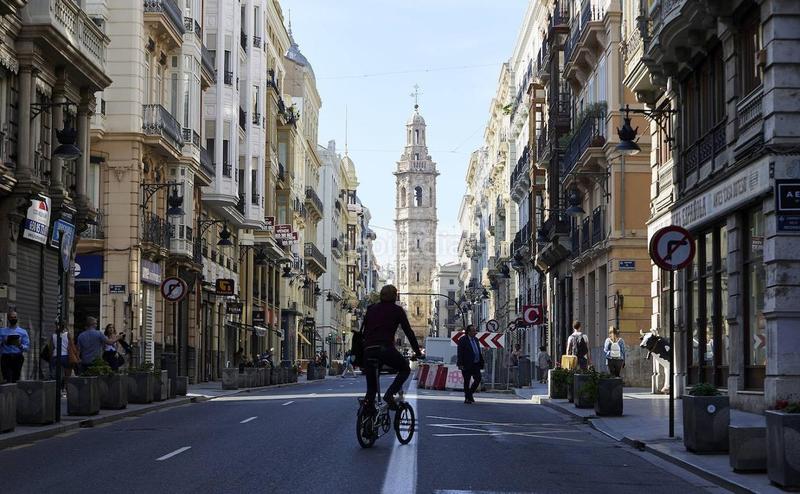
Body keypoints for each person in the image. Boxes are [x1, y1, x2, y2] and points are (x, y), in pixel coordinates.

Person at [361, 284, 422, 410]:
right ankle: (389, 394)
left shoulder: (371, 308)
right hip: (385, 348)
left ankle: (367, 418)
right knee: (405, 368)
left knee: (371, 389)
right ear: (394, 296)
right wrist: (417, 352)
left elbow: (365, 330)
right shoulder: (397, 310)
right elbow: (408, 332)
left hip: (368, 350)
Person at [457, 324, 484, 404]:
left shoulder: (476, 340)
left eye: (475, 330)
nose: (475, 332)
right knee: (467, 381)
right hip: (466, 364)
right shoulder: (463, 340)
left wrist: (481, 361)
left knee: (478, 379)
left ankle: (470, 394)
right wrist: (460, 363)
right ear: (468, 332)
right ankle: (467, 398)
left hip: (476, 363)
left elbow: (478, 351)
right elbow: (460, 352)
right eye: (473, 331)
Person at [0, 310, 30, 383]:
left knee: (15, 378)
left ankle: (14, 393)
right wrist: (3, 341)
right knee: (7, 378)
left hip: (17, 357)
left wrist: (20, 345)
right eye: (11, 317)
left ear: (17, 318)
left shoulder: (23, 332)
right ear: (8, 319)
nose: (13, 319)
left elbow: (27, 347)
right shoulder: (2, 331)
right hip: (6, 357)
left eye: (15, 317)